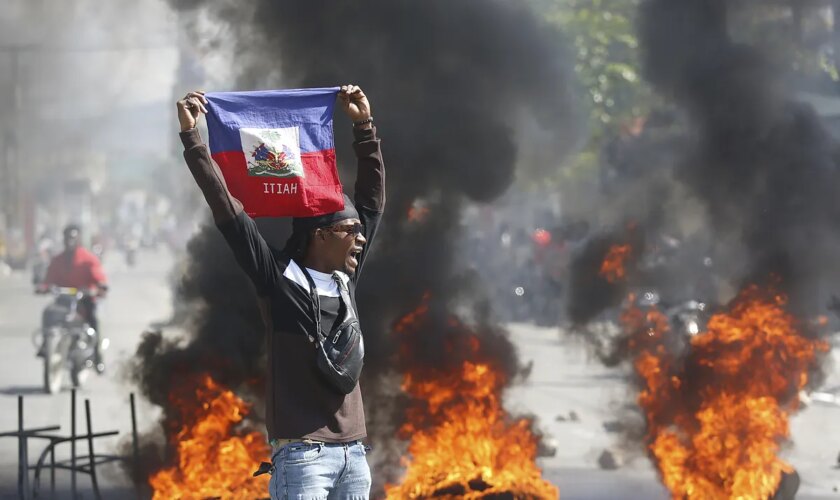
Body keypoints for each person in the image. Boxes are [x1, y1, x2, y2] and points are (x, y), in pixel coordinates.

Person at [177, 84, 385, 499]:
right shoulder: (278, 278)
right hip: (304, 458)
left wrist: (364, 128)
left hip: (354, 457)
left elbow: (372, 203)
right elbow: (228, 211)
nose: (361, 240)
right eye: (351, 232)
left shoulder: (345, 281)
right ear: (321, 236)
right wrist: (193, 140)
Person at [38, 224, 109, 373]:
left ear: (78, 239)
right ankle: (46, 345)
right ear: (63, 239)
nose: (70, 241)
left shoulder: (88, 259)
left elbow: (99, 278)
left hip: (83, 301)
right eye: (67, 238)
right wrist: (44, 287)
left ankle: (98, 357)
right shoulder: (57, 260)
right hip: (63, 301)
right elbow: (49, 279)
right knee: (48, 313)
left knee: (94, 322)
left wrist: (100, 287)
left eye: (73, 238)